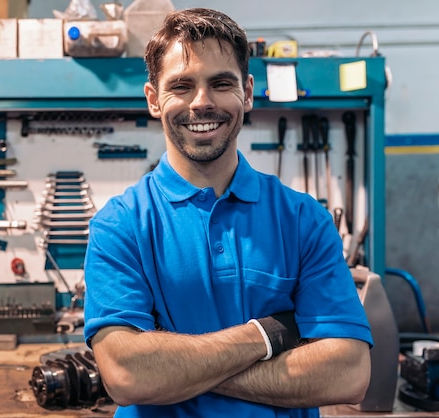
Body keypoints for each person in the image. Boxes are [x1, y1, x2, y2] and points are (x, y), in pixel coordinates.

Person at [83, 7, 373, 418]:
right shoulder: (120, 225)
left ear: (248, 93)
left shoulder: (305, 220)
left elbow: (349, 375)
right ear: (153, 99)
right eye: (181, 86)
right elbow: (127, 375)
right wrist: (267, 335)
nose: (202, 103)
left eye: (221, 83)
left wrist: (175, 372)